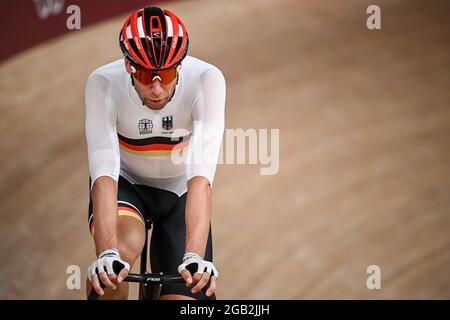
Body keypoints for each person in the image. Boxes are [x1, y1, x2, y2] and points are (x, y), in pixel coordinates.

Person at [84, 6, 226, 300]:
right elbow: (104, 175)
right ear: (128, 66)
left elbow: (200, 179)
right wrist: (107, 252)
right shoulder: (102, 83)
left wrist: (195, 257)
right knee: (115, 265)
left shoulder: (208, 80)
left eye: (168, 73)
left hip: (180, 192)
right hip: (127, 184)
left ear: (181, 65)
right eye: (148, 75)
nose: (158, 88)